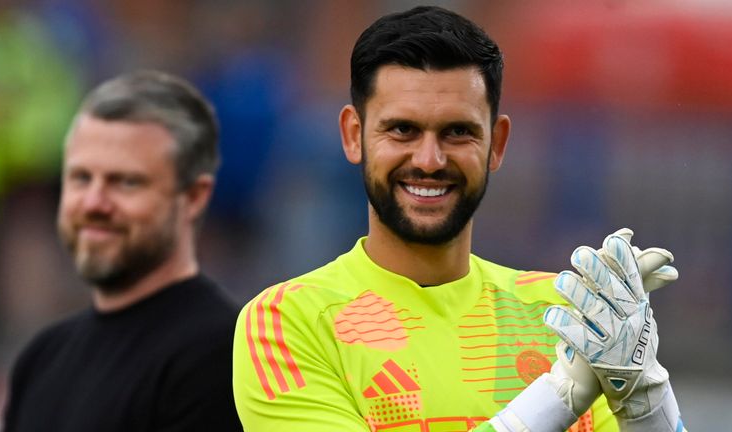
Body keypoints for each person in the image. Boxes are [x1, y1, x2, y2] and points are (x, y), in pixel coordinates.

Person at [233, 6, 685, 432]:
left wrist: (646, 397)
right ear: (354, 136)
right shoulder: (286, 322)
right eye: (402, 129)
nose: (429, 160)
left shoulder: (564, 314)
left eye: (458, 132)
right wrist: (558, 398)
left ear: (497, 144)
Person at [3, 70, 242, 431]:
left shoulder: (223, 354)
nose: (94, 203)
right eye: (81, 178)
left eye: (126, 182)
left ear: (193, 198)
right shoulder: (42, 358)